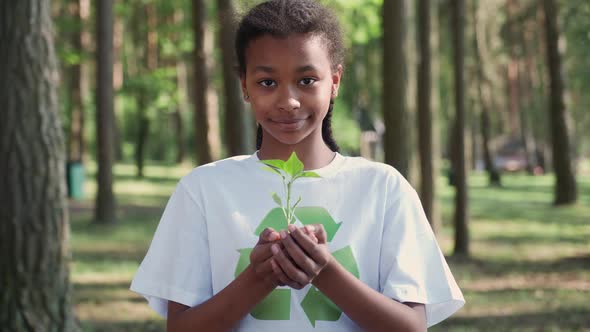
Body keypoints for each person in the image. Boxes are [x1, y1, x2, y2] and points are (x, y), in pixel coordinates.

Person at [130, 0, 465, 331]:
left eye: (306, 80)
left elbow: (411, 327)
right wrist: (258, 278)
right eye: (267, 82)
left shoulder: (384, 188)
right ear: (244, 85)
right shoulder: (203, 190)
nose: (288, 101)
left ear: (334, 81)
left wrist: (326, 273)